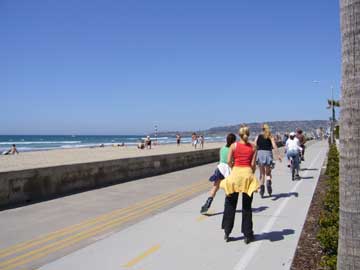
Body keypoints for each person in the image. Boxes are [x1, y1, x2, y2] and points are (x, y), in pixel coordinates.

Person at [220, 126, 259, 244]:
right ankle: (247, 234)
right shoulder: (253, 147)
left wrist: (234, 168)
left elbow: (228, 161)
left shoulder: (233, 146)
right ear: (248, 134)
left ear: (239, 135)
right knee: (247, 206)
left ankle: (227, 231)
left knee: (230, 204)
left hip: (235, 174)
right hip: (247, 174)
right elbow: (253, 165)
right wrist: (249, 172)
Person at [200, 133, 237, 214]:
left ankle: (208, 202)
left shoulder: (222, 148)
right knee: (229, 189)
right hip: (228, 169)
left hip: (220, 168)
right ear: (234, 141)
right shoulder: (233, 149)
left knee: (215, 187)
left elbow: (221, 159)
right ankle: (228, 206)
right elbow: (231, 161)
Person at [255, 124, 282, 198]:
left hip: (260, 154)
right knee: (268, 172)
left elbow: (254, 146)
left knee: (262, 173)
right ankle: (268, 181)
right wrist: (278, 155)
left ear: (262, 129)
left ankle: (262, 188)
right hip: (268, 154)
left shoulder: (258, 136)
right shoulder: (270, 136)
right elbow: (274, 146)